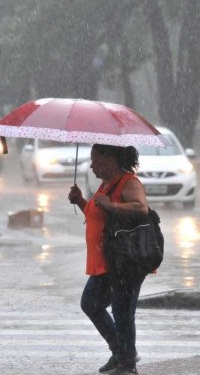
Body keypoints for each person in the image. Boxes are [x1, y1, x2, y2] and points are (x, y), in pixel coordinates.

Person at [68, 144, 148, 375]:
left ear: (109, 158)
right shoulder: (106, 184)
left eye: (95, 159)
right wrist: (82, 202)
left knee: (122, 311)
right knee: (90, 303)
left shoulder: (128, 182)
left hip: (125, 261)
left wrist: (111, 205)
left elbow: (141, 208)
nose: (92, 165)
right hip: (106, 261)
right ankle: (120, 352)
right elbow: (99, 216)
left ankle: (127, 364)